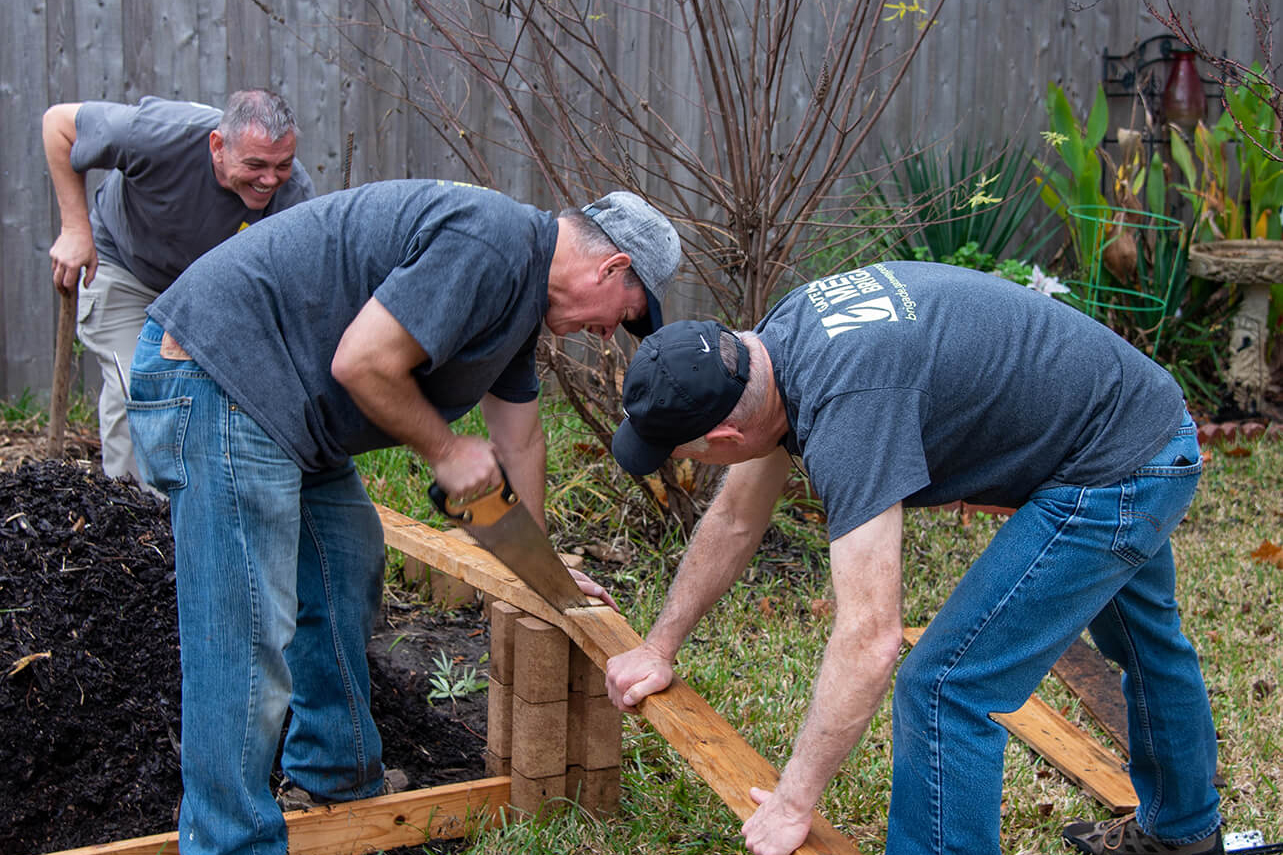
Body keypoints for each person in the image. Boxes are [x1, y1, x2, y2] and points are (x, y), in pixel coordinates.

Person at [125, 179, 679, 855]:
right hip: (218, 375)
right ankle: (228, 842)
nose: (610, 332)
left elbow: (519, 439)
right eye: (625, 313)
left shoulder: (517, 292)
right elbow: (363, 362)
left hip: (288, 409)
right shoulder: (492, 246)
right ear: (612, 267)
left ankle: (334, 771)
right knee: (243, 634)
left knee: (348, 561)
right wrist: (444, 449)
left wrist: (540, 559)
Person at [604, 261, 1221, 855]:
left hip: (1116, 467)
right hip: (1141, 419)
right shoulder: (772, 350)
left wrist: (793, 803)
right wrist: (658, 648)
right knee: (1146, 643)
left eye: (682, 452)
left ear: (724, 438)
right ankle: (1185, 833)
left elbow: (871, 637)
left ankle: (1177, 828)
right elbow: (738, 517)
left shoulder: (848, 412)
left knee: (945, 686)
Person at [42, 90, 315, 485]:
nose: (270, 179)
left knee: (208, 399)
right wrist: (73, 228)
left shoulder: (292, 194)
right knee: (137, 389)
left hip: (202, 292)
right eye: (255, 164)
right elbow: (59, 125)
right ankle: (132, 519)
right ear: (218, 146)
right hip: (125, 268)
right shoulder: (158, 133)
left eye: (282, 164)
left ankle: (192, 508)